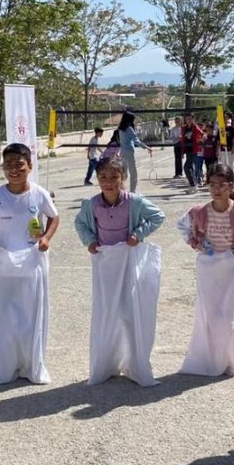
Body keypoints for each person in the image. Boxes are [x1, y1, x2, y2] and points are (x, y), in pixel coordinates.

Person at [0, 143, 61, 385]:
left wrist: (46, 238)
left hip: (33, 261)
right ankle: (6, 368)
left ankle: (32, 366)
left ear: (29, 166)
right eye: (8, 165)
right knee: (5, 316)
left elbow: (54, 216)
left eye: (19, 164)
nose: (14, 170)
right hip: (4, 266)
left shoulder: (39, 194)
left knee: (32, 316)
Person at [73, 154, 166, 385]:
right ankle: (107, 363)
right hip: (105, 265)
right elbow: (80, 223)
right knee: (107, 311)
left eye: (114, 177)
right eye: (103, 177)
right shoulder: (92, 204)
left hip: (128, 262)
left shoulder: (134, 201)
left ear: (123, 178)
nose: (109, 182)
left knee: (129, 310)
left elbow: (157, 216)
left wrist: (138, 234)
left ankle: (134, 362)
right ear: (97, 179)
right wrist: (90, 241)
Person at [176, 164, 234, 377]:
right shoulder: (199, 211)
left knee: (230, 312)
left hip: (232, 265)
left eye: (223, 185)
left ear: (231, 186)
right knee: (210, 311)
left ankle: (231, 357)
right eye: (213, 185)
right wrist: (194, 242)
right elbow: (182, 225)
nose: (217, 190)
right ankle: (210, 357)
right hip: (208, 266)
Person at [116, 110, 151, 193]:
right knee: (133, 173)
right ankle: (132, 191)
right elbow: (137, 141)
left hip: (122, 152)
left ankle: (120, 189)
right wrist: (147, 147)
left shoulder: (120, 129)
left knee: (124, 173)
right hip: (129, 152)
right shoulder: (129, 129)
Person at [181, 113, 205, 190]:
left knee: (186, 167)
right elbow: (183, 140)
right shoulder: (184, 128)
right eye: (187, 119)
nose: (188, 120)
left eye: (190, 119)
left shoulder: (195, 127)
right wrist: (182, 152)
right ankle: (194, 185)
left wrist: (200, 141)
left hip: (193, 150)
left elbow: (202, 134)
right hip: (187, 149)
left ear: (193, 119)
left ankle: (193, 184)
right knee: (190, 167)